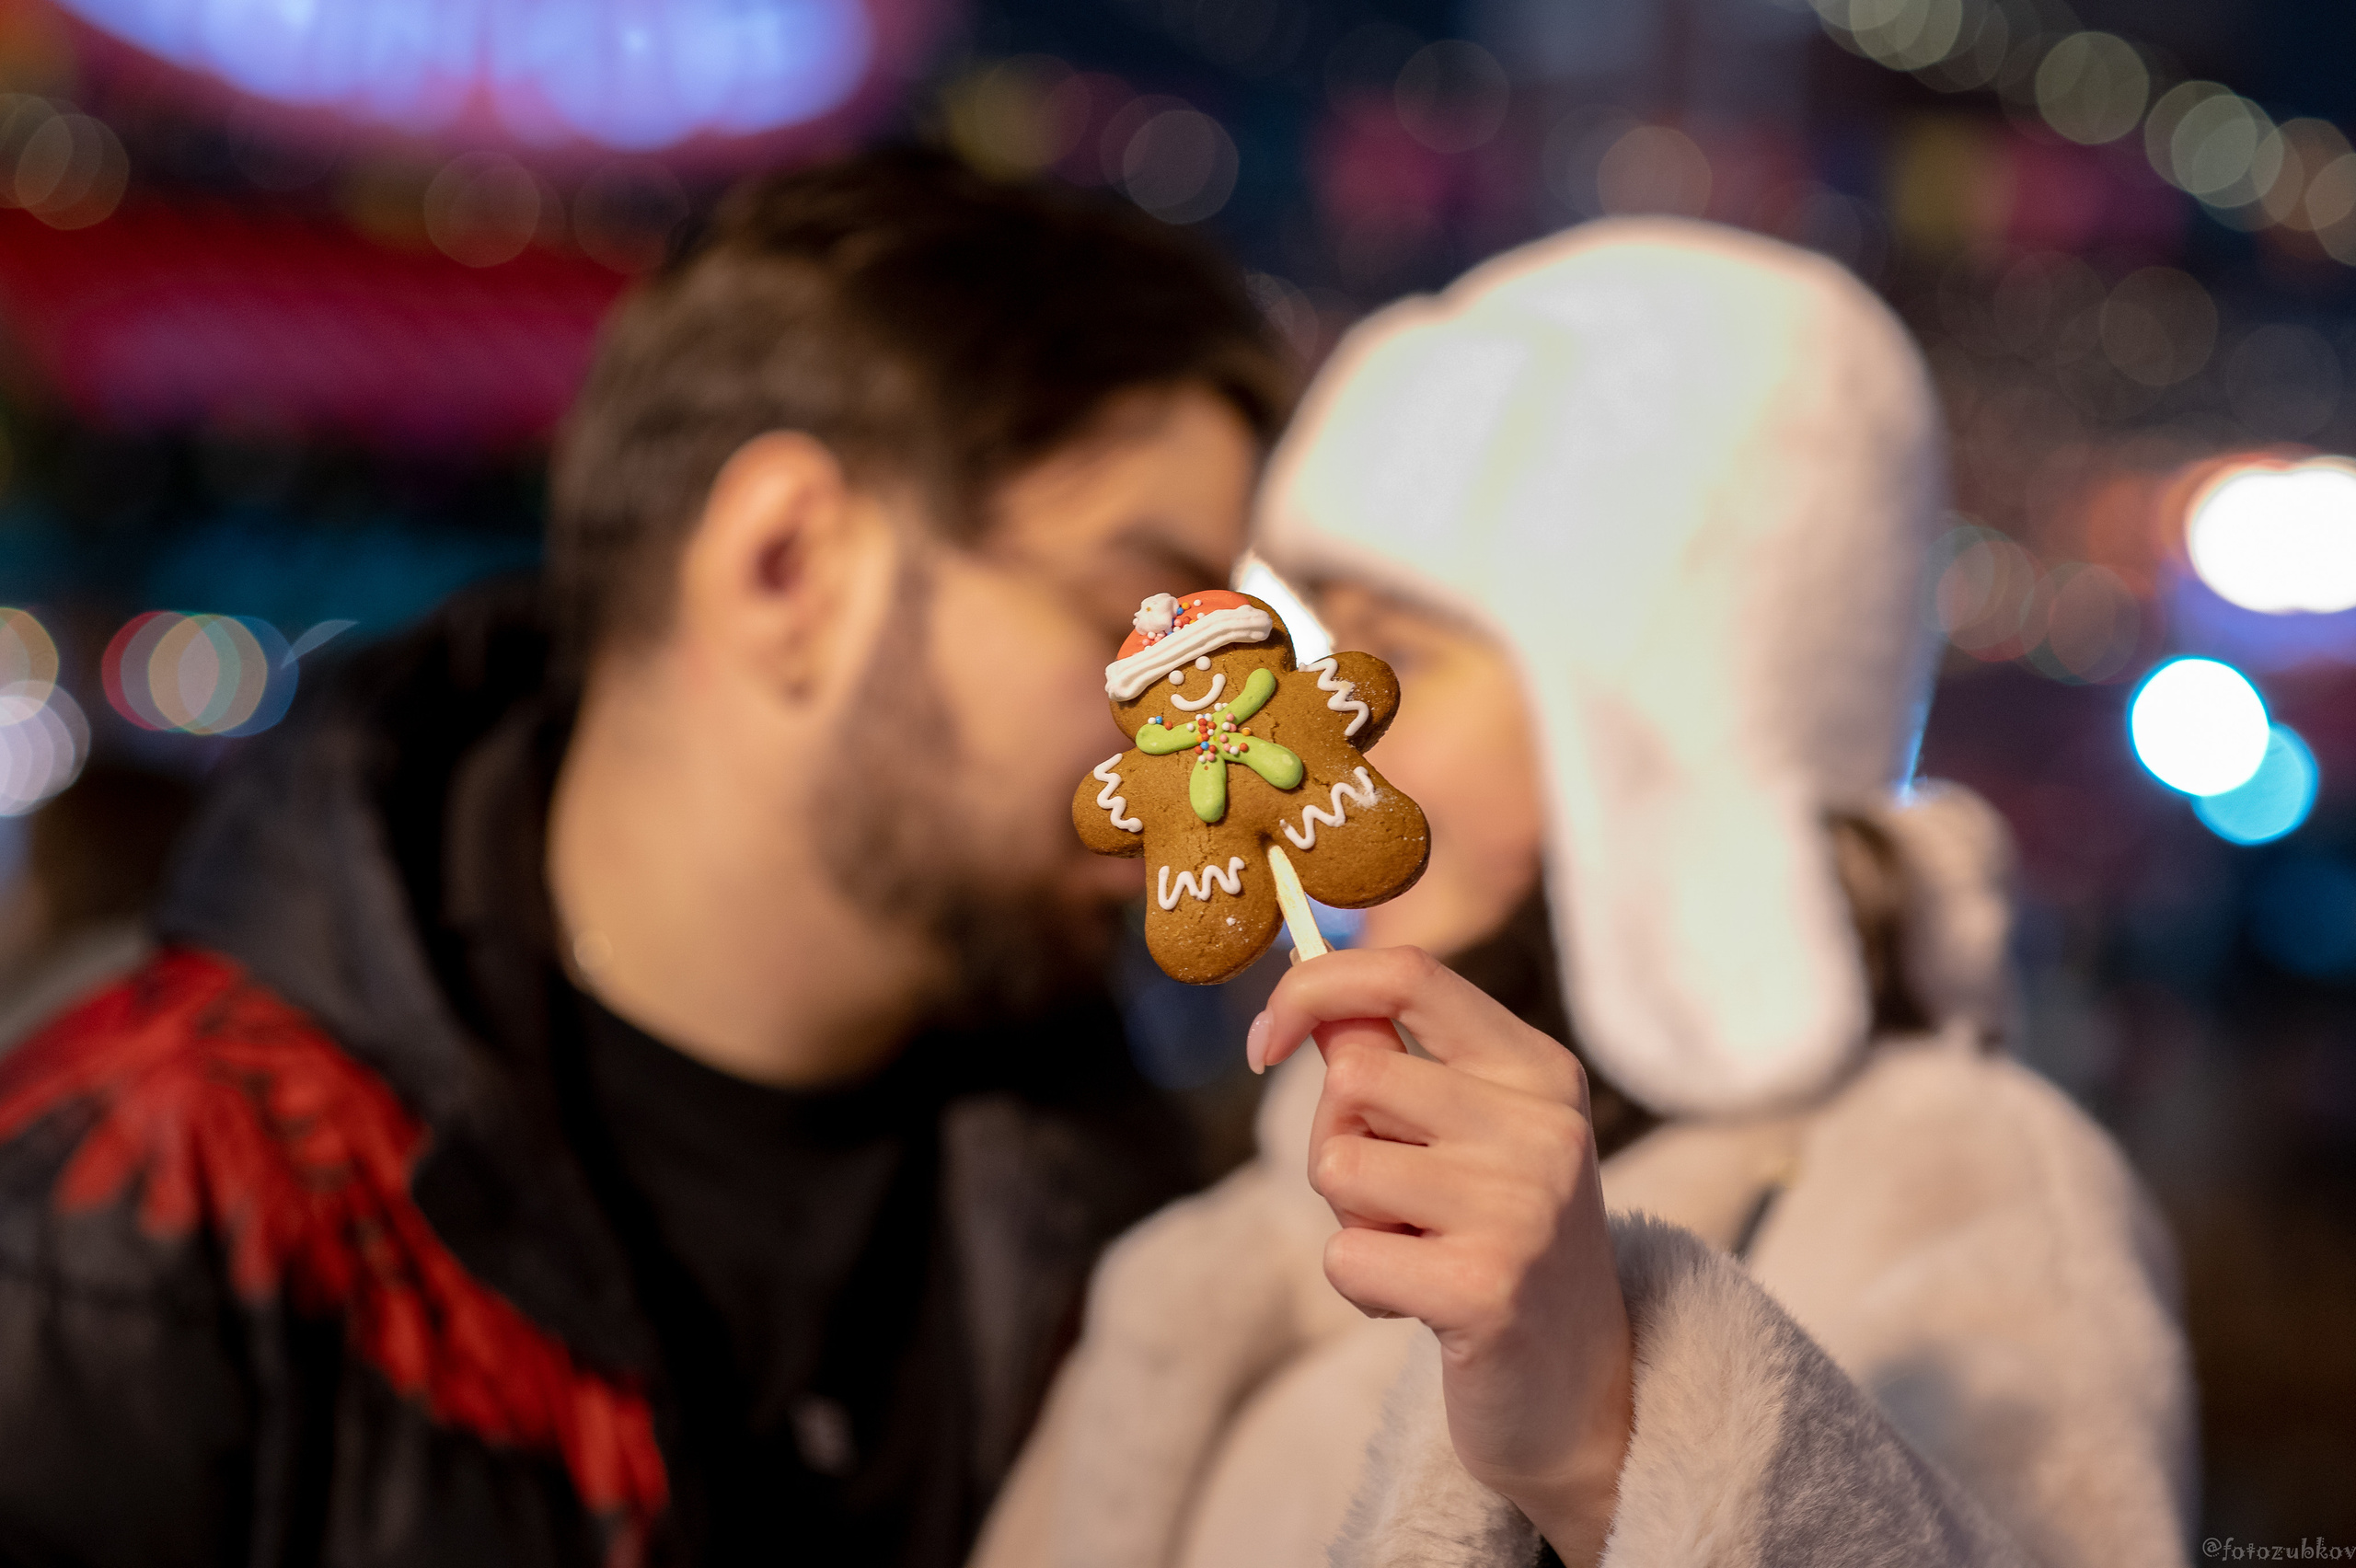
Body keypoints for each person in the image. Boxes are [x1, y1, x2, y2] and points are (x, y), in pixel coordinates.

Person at [0, 150, 1291, 1567]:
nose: (1199, 744)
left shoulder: (1123, 1212)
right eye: (1144, 619)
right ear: (787, 565)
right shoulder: (141, 1211)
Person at [972, 220, 2194, 1567]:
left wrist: (1606, 1439)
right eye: (1309, 645)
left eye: (1399, 659)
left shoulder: (1953, 1184)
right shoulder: (1234, 1249)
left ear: (1651, 749)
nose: (1324, 730)